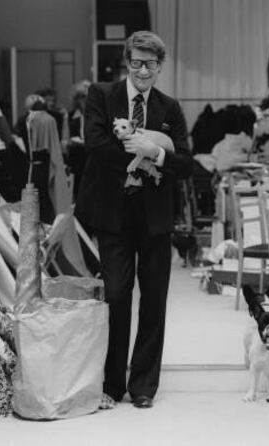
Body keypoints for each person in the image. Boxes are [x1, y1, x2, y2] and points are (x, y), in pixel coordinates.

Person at [75, 31, 192, 409]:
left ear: (160, 67)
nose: (144, 70)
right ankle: (113, 383)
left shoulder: (170, 108)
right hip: (113, 215)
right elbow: (95, 143)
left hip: (155, 218)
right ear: (127, 62)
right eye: (137, 62)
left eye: (151, 64)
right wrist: (133, 148)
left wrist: (155, 151)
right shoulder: (101, 95)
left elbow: (186, 164)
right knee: (118, 295)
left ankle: (143, 385)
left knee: (154, 300)